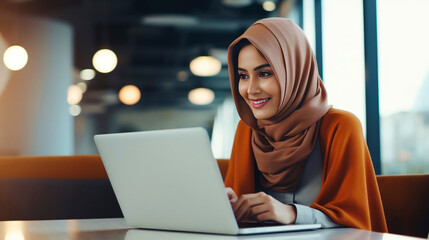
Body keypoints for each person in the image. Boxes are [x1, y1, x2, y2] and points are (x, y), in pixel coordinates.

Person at [224, 18, 387, 232]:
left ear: (295, 71)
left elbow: (355, 220)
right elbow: (239, 222)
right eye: (243, 76)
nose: (251, 89)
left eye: (264, 73)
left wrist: (291, 213)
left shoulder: (341, 126)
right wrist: (231, 207)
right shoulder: (247, 130)